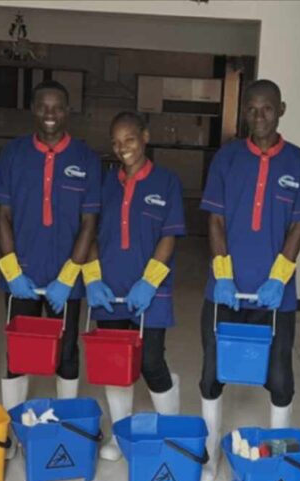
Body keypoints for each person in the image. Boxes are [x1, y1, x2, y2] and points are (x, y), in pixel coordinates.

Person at [198, 79, 300, 481]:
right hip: (226, 288)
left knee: (280, 377)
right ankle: (210, 453)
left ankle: (275, 457)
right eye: (251, 109)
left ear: (281, 110)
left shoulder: (299, 162)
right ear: (243, 112)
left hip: (274, 295)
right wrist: (223, 274)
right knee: (213, 373)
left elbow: (299, 227)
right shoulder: (226, 159)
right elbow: (215, 219)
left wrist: (278, 278)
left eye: (267, 109)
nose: (259, 116)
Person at [0, 81, 101, 432]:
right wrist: (11, 270)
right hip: (22, 274)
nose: (50, 115)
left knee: (66, 354)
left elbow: (89, 222)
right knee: (18, 353)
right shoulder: (13, 154)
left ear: (68, 111)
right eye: (43, 106)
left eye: (57, 107)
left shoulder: (86, 158)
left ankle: (64, 425)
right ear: (33, 109)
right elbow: (3, 214)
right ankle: (14, 428)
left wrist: (68, 277)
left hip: (64, 278)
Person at [83, 112, 186, 461]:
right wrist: (93, 278)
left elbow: (169, 236)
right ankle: (121, 434)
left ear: (144, 136)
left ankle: (171, 431)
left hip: (150, 290)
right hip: (108, 289)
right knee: (115, 363)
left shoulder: (167, 182)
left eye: (128, 139)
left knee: (151, 361)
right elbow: (90, 232)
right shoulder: (104, 182)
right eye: (115, 142)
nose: (122, 148)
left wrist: (149, 282)